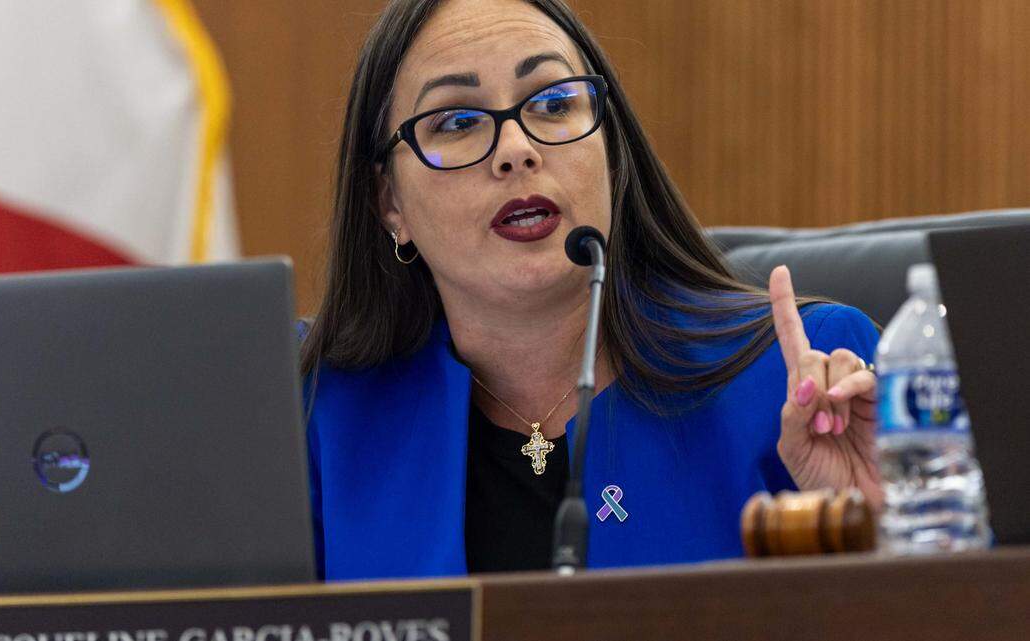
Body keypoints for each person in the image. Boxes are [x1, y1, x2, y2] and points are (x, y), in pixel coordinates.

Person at [300, 0, 880, 581]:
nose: (515, 151)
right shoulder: (317, 413)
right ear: (389, 203)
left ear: (612, 153)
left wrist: (888, 536)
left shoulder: (806, 375)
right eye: (456, 121)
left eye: (553, 103)